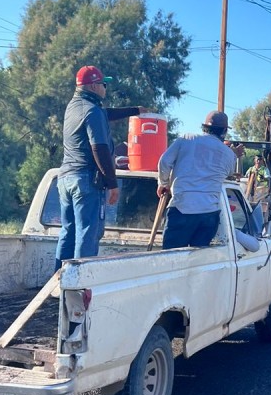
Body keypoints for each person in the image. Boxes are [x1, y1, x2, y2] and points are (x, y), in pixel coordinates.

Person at [55, 65, 148, 270]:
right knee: (88, 233)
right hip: (86, 180)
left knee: (68, 232)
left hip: (65, 179)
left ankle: (59, 282)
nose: (106, 88)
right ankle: (79, 285)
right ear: (94, 86)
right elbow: (100, 149)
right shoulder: (92, 110)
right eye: (104, 84)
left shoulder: (74, 107)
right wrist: (112, 183)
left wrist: (135, 110)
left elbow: (106, 114)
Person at [157, 110, 245, 249]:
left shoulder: (186, 139)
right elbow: (228, 172)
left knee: (172, 258)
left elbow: (164, 162)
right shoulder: (228, 154)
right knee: (199, 261)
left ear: (204, 127)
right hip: (209, 213)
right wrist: (233, 153)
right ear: (224, 131)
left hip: (182, 208)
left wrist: (163, 183)